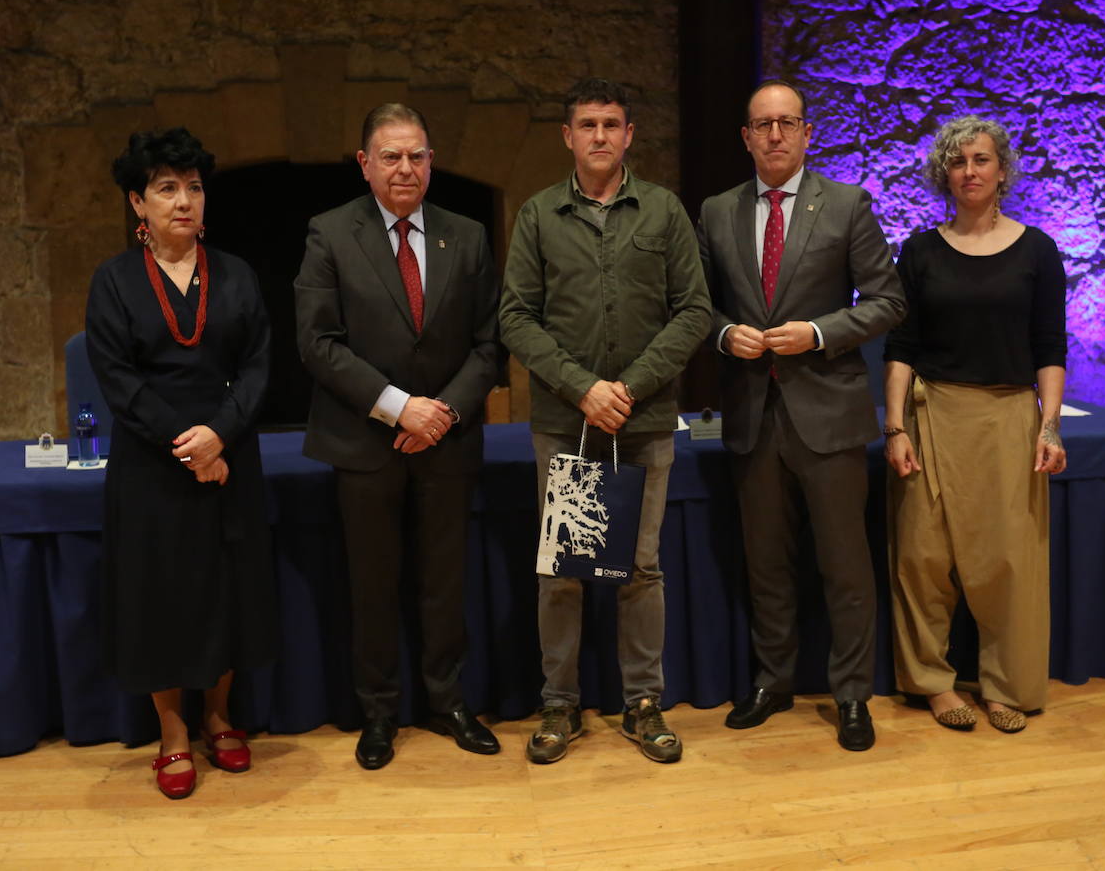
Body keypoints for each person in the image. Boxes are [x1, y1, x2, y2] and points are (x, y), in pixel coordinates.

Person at [500, 78, 710, 764]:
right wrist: (585, 388)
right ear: (567, 136)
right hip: (569, 422)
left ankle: (643, 702)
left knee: (640, 568)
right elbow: (515, 318)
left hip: (644, 420)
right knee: (563, 570)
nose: (598, 135)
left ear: (628, 136)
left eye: (611, 124)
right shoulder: (538, 216)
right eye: (586, 123)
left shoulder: (664, 212)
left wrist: (629, 386)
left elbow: (693, 312)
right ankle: (560, 703)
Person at [696, 80, 905, 750]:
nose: (776, 135)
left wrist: (816, 333)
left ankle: (850, 694)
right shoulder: (717, 210)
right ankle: (772, 680)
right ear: (747, 138)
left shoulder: (847, 204)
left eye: (788, 123)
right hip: (754, 414)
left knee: (845, 562)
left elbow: (888, 301)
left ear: (808, 133)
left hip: (830, 412)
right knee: (766, 562)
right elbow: (696, 308)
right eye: (764, 125)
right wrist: (728, 336)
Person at [295, 103, 501, 770]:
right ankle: (379, 712)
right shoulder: (329, 233)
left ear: (432, 161)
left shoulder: (467, 236)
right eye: (390, 156)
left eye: (416, 155)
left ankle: (448, 703)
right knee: (374, 584)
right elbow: (317, 343)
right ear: (365, 164)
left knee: (445, 582)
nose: (405, 168)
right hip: (365, 442)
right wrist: (397, 407)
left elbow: (490, 342)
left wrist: (441, 411)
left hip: (447, 440)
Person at [86, 127, 278, 800]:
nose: (183, 201)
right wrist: (188, 445)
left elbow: (257, 367)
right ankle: (171, 730)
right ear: (138, 203)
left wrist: (219, 437)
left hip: (229, 453)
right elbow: (118, 380)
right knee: (160, 594)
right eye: (167, 188)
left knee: (226, 586)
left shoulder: (237, 274)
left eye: (193, 187)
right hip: (152, 462)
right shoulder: (112, 282)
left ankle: (219, 716)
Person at [883, 115, 1067, 734]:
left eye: (981, 160)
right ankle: (932, 683)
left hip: (1010, 417)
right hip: (932, 416)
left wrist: (1050, 427)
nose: (969, 171)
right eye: (958, 162)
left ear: (1002, 170)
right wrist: (894, 426)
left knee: (1008, 559)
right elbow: (900, 346)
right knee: (923, 557)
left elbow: (1049, 345)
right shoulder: (919, 251)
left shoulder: (1038, 250)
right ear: (944, 174)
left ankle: (1006, 685)